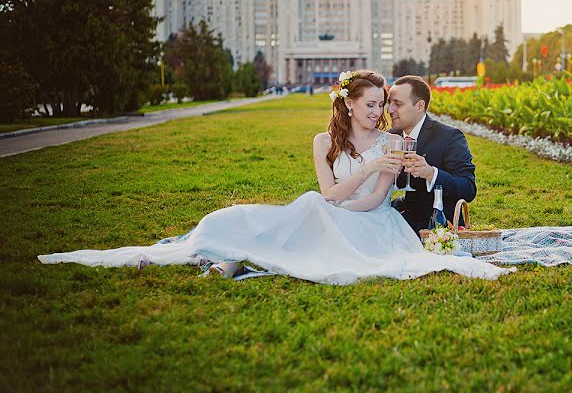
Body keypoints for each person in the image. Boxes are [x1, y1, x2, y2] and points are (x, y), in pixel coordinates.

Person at [38, 70, 513, 285]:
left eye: (386, 105)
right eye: (372, 105)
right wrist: (355, 181)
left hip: (367, 220)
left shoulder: (392, 144)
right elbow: (329, 192)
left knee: (309, 214)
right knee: (267, 215)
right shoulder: (322, 142)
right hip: (333, 208)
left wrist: (356, 191)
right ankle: (221, 253)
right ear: (347, 104)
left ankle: (236, 263)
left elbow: (371, 203)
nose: (381, 113)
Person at [387, 75, 476, 233]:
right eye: (389, 104)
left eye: (397, 104)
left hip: (438, 226)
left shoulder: (450, 136)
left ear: (420, 106)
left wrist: (430, 173)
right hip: (400, 217)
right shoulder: (391, 137)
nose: (390, 110)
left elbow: (468, 189)